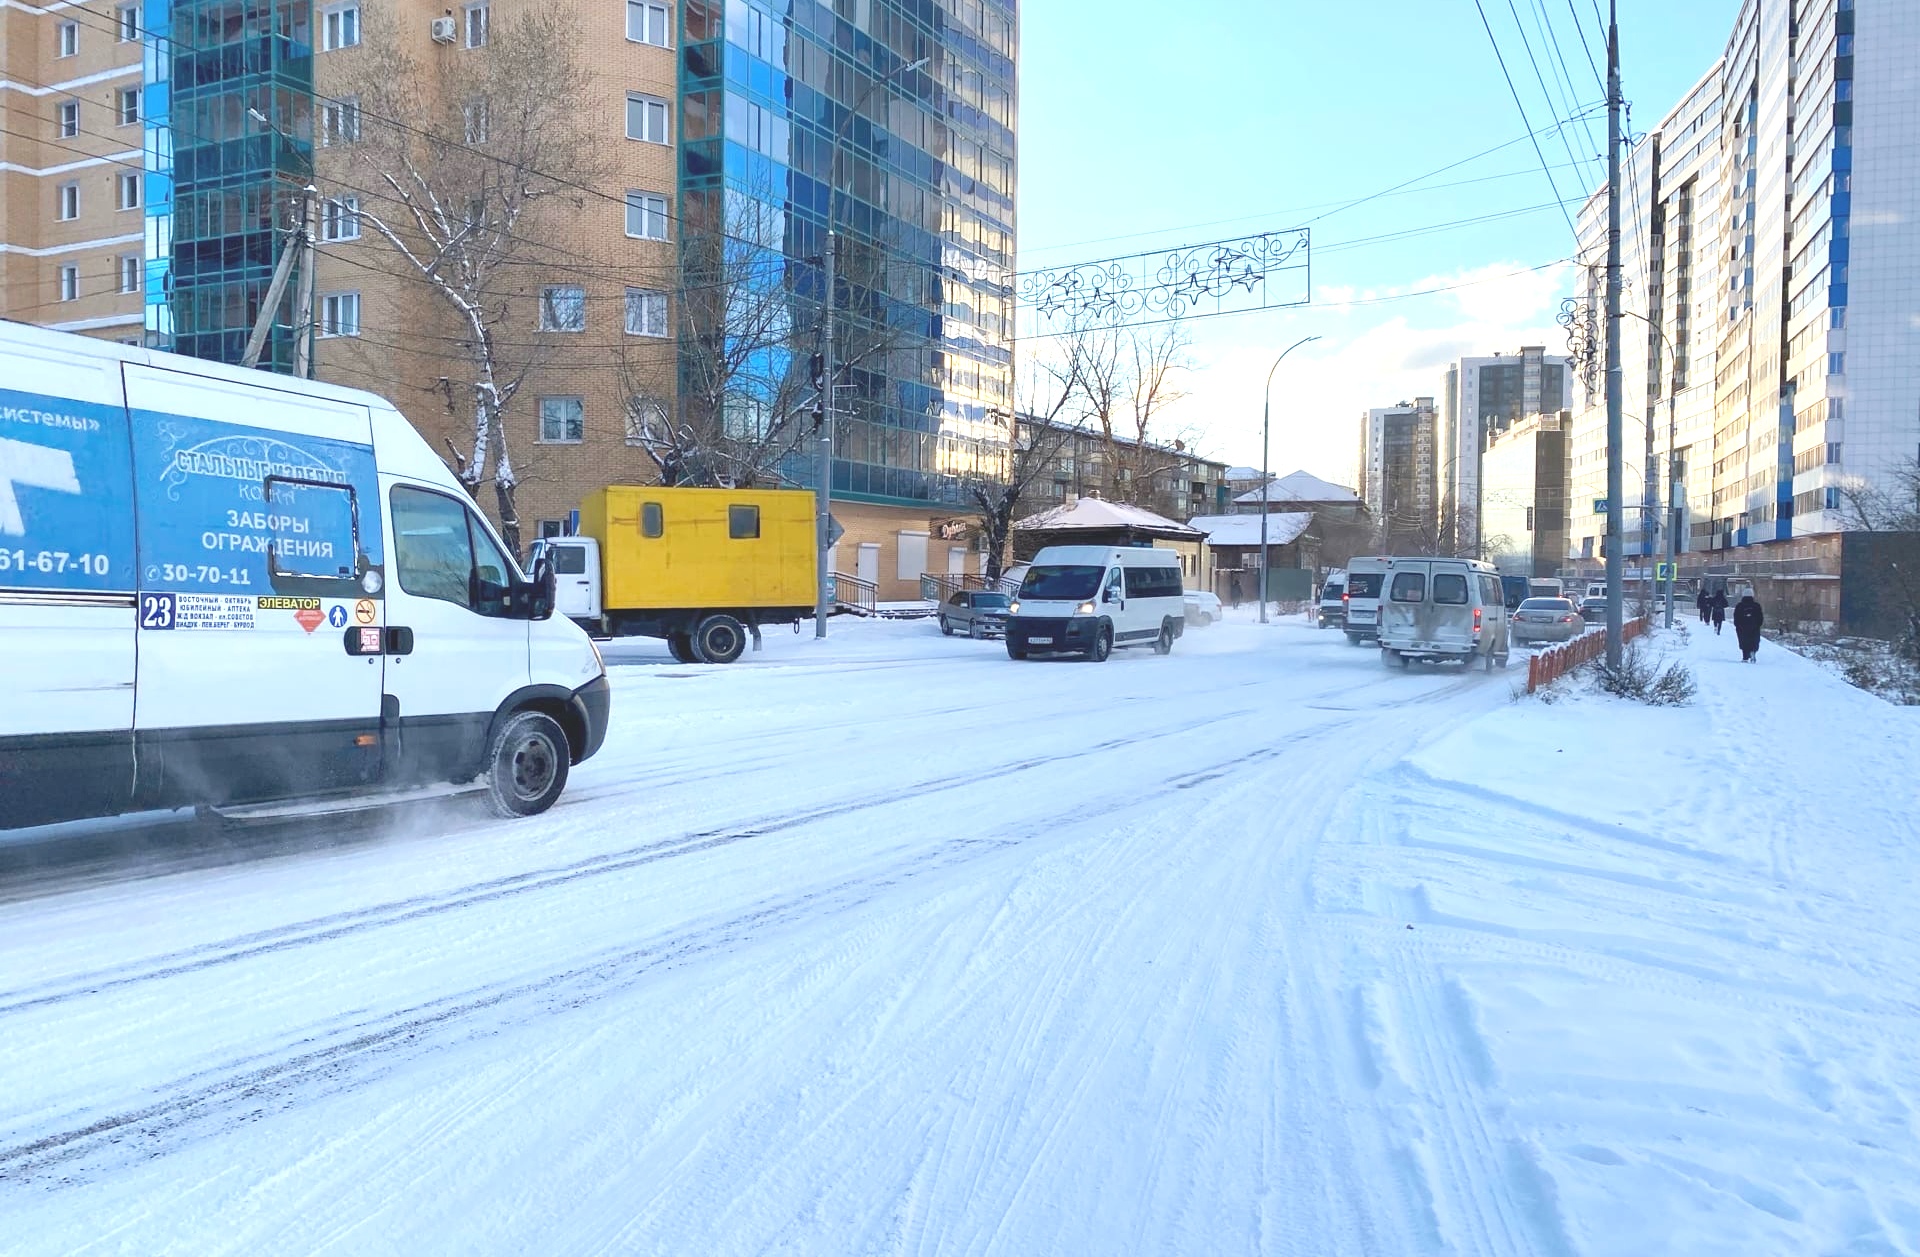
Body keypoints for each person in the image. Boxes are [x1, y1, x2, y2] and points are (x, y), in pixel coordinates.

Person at [1733, 594, 1765, 662]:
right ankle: (1753, 651)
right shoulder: (1756, 605)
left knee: (1743, 640)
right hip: (1754, 627)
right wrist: (1758, 625)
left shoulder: (1740, 605)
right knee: (1754, 640)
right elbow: (1760, 616)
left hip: (1742, 627)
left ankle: (1745, 657)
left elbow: (1736, 616)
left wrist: (1737, 625)